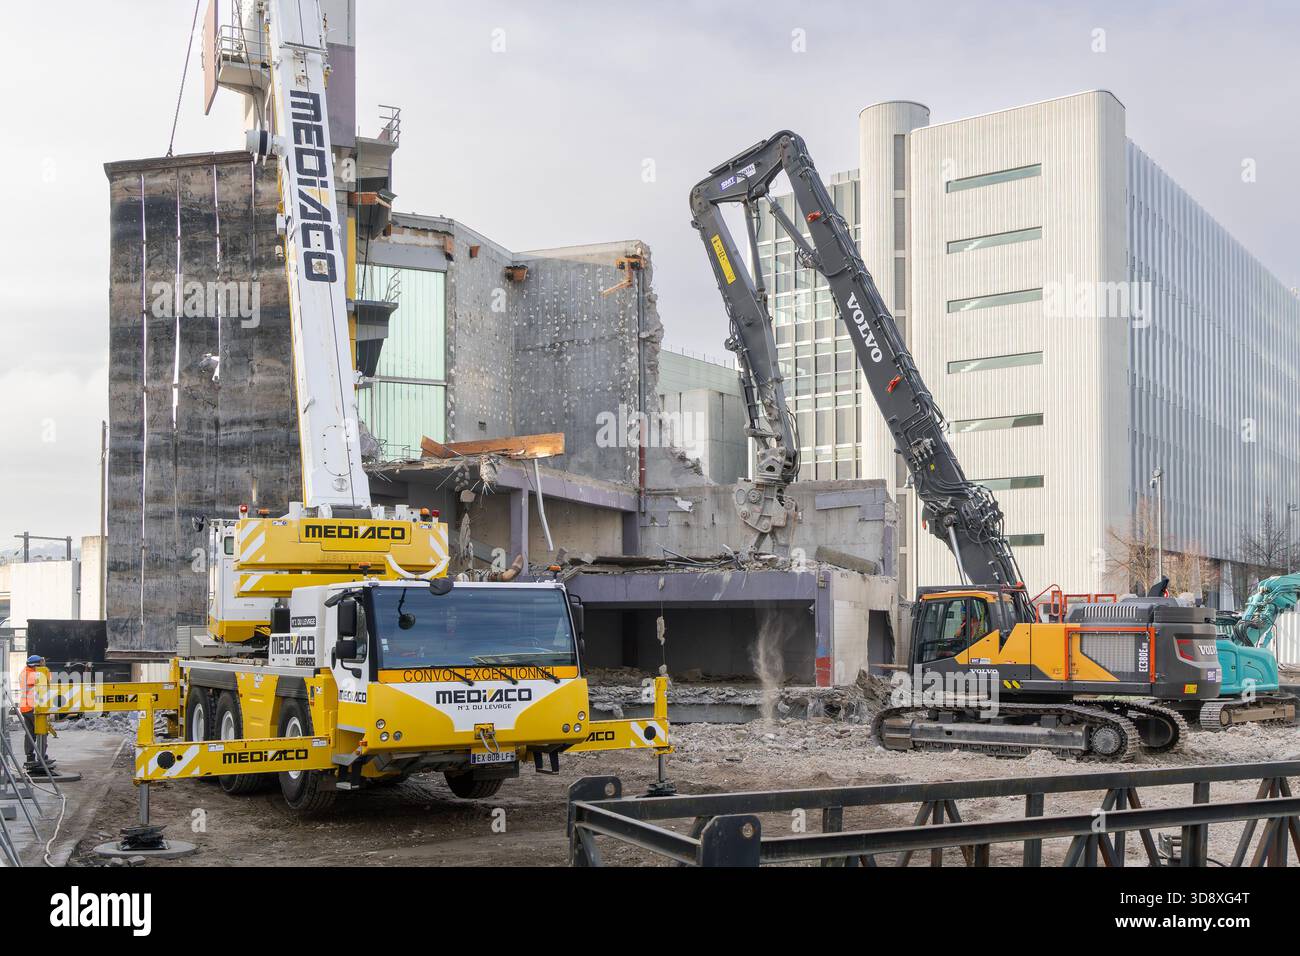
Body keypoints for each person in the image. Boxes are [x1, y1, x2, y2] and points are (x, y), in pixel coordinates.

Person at [17, 654, 45, 765]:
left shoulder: (24, 672)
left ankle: (30, 756)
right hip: (33, 708)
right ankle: (42, 755)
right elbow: (48, 679)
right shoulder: (32, 675)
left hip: (25, 707)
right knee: (42, 731)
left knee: (30, 733)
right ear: (35, 665)